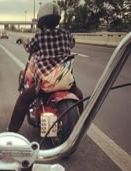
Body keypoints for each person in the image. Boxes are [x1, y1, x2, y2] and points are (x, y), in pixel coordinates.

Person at [8, 2, 83, 132]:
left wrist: (24, 41)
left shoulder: (39, 37)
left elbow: (29, 47)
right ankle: (81, 122)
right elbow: (72, 43)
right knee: (80, 96)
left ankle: (11, 131)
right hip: (65, 81)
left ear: (42, 22)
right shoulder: (66, 35)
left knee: (22, 101)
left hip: (45, 84)